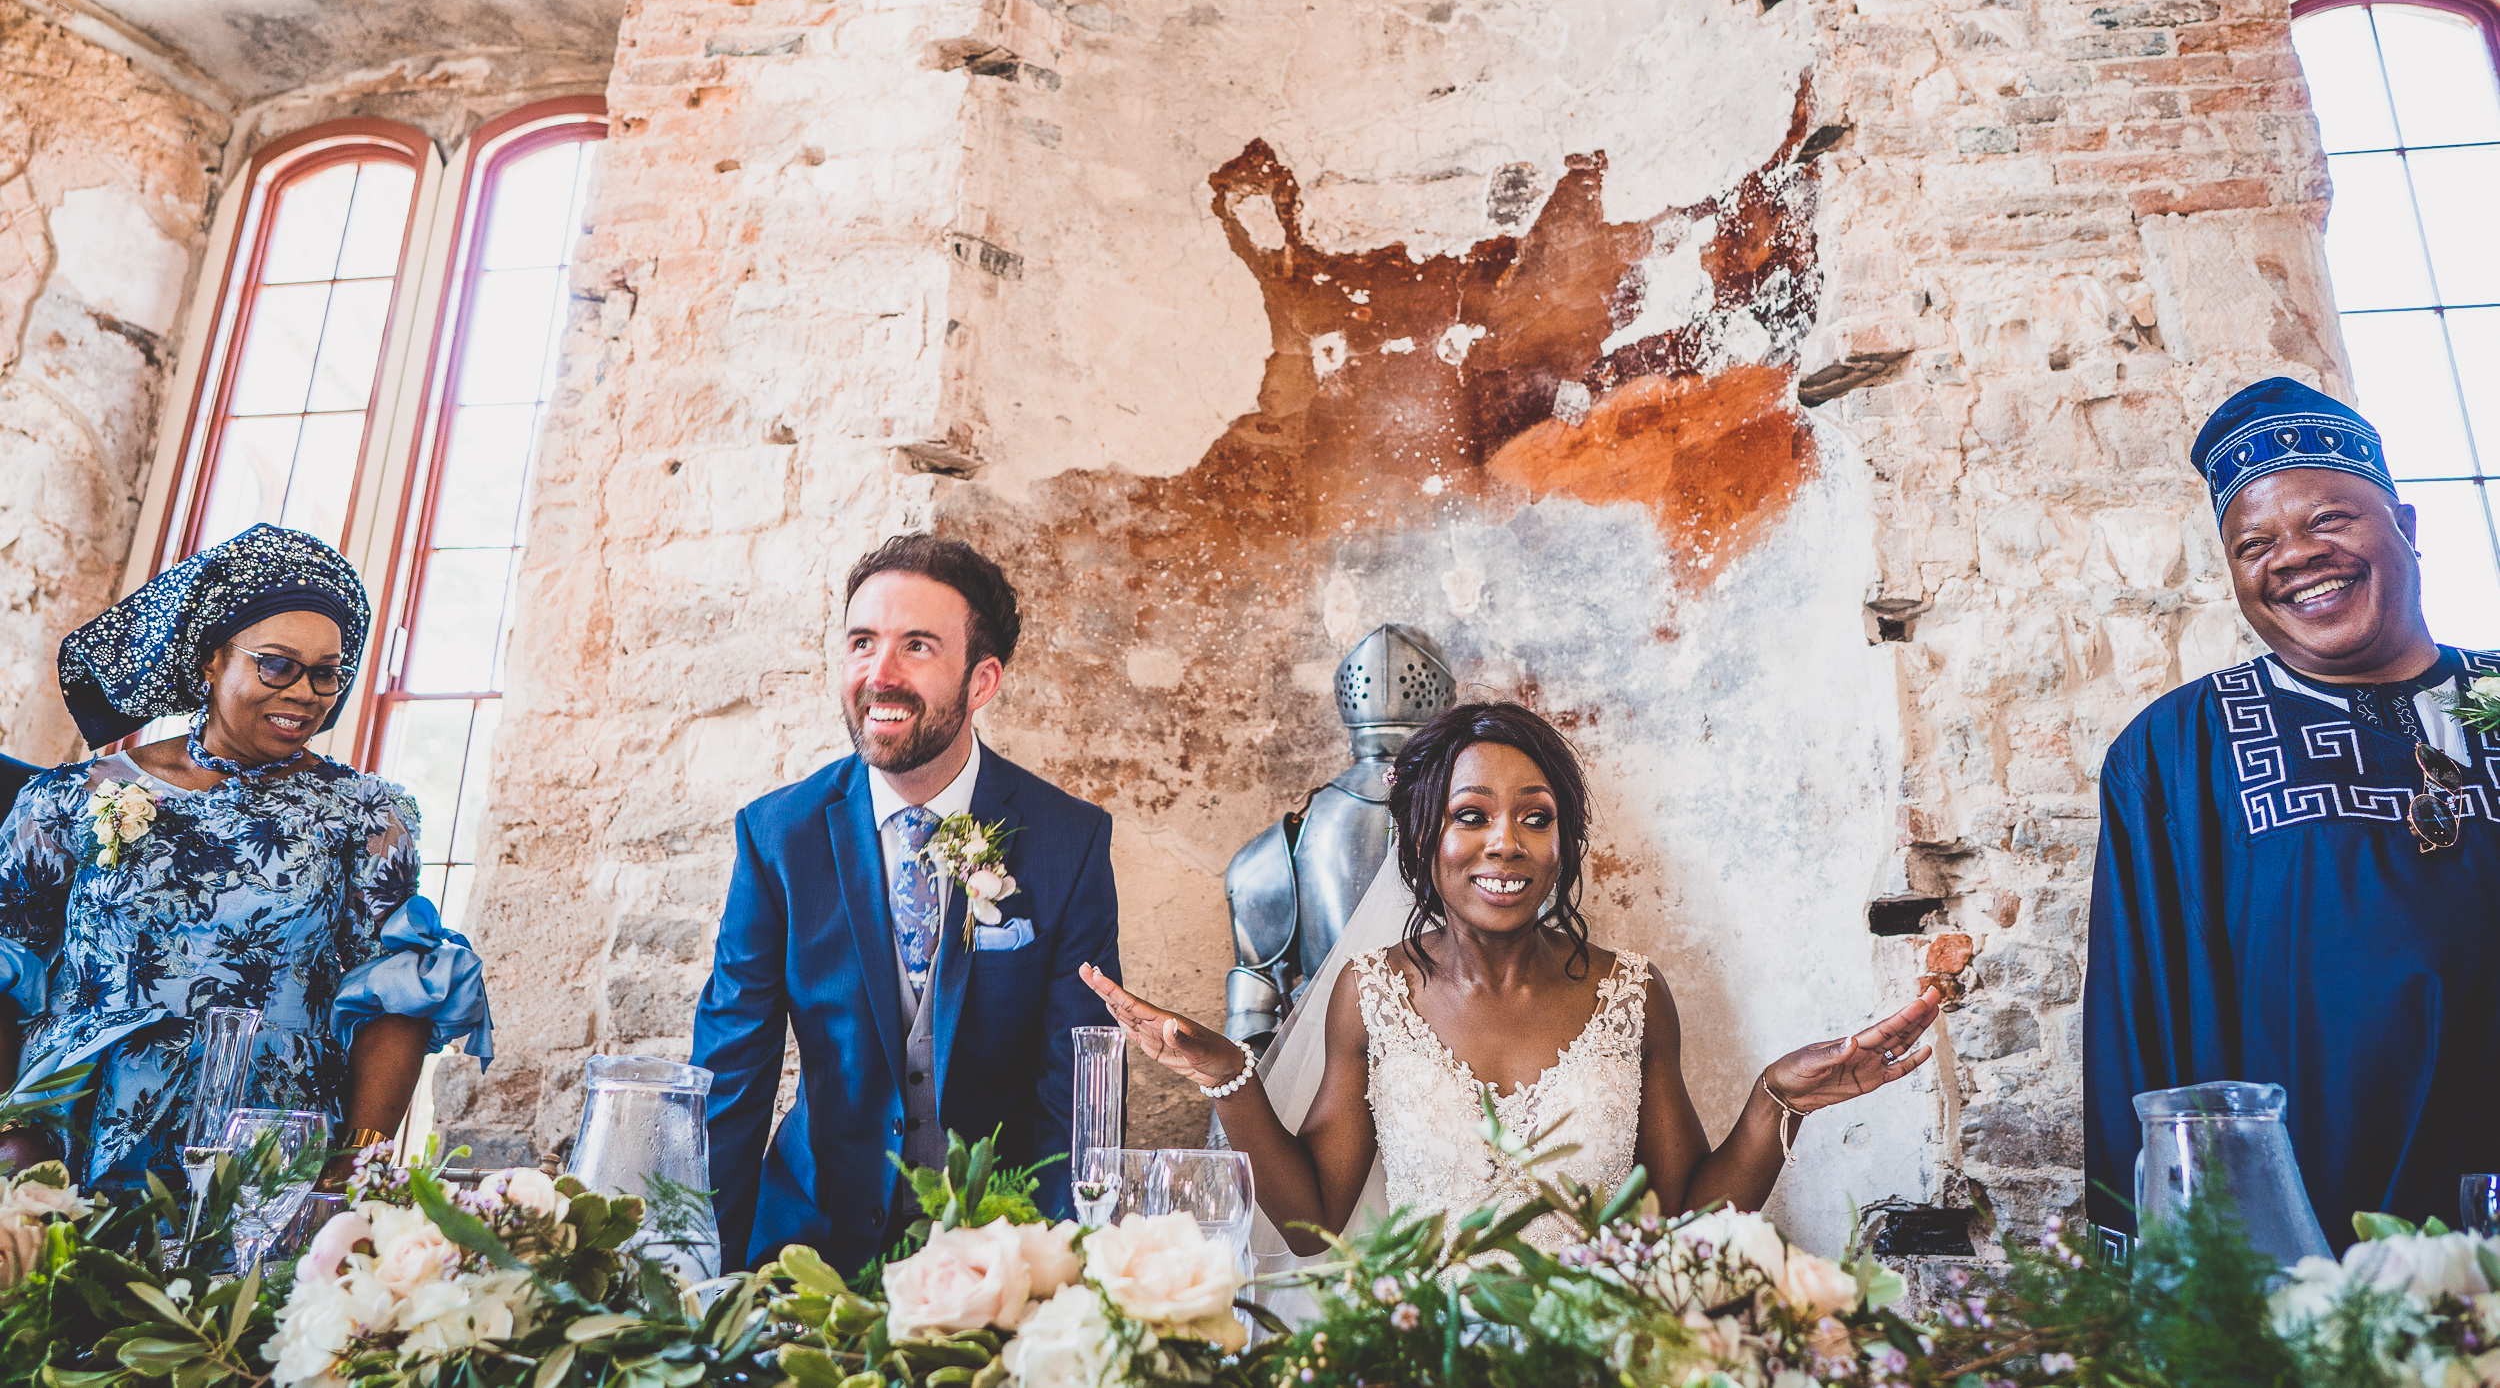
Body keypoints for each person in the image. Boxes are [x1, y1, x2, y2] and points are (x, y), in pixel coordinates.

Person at [1083, 702, 1940, 1255]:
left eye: (1537, 817)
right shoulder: (1371, 994)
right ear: (1424, 842)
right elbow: (1312, 1223)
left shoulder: (1633, 995)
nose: (1506, 842)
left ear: (1562, 845)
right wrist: (1228, 1075)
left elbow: (1687, 1218)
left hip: (1596, 1344)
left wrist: (1776, 1101)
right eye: (1472, 816)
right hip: (1423, 1348)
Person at [2084, 377, 2500, 1249]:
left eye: (2328, 520)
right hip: (2326, 1264)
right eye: (2254, 543)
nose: (2295, 556)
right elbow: (2144, 1030)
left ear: (2408, 529)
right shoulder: (2175, 753)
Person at [0, 522, 493, 1187]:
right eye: (277, 663)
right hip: (73, 1157)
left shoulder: (367, 816)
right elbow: (7, 973)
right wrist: (10, 1132)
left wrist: (351, 1166)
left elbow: (397, 999)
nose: (303, 692)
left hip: (264, 1173)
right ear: (212, 658)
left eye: (326, 674)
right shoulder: (64, 801)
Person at [693, 534, 1121, 1273]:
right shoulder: (777, 837)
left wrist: (1061, 1269)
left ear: (982, 680)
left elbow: (1079, 1087)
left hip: (999, 1252)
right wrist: (701, 1275)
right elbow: (731, 1070)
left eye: (916, 645)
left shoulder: (1068, 840)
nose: (878, 674)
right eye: (862, 642)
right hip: (807, 1247)